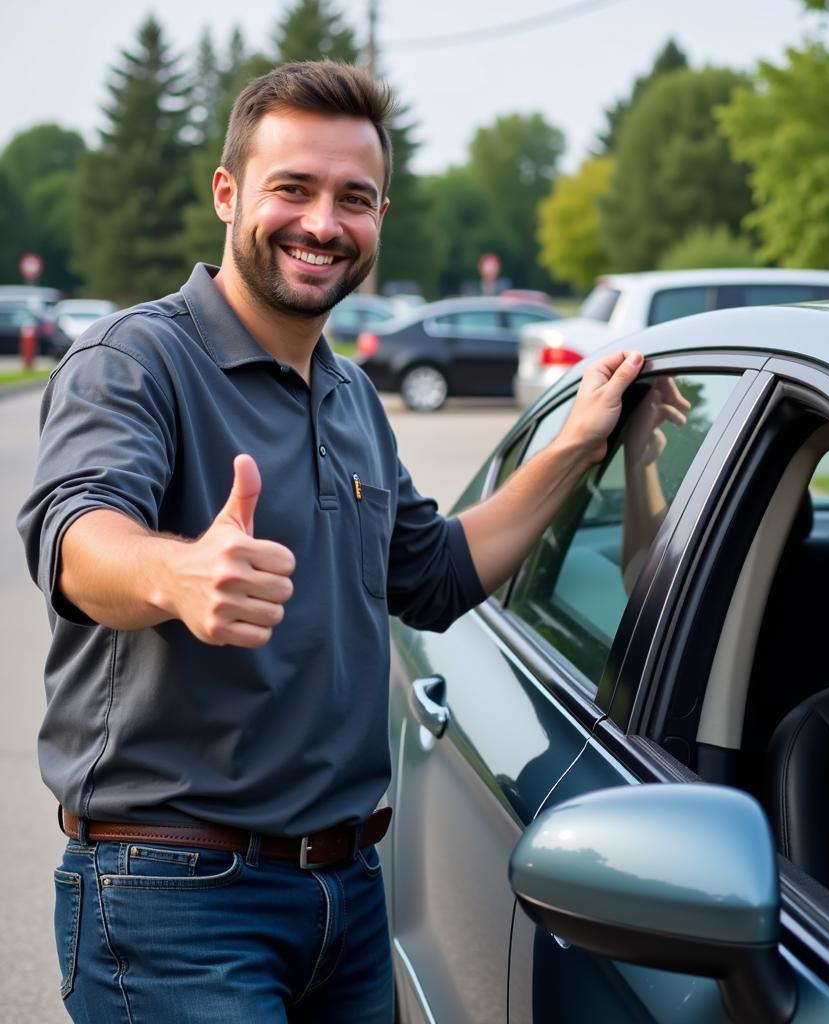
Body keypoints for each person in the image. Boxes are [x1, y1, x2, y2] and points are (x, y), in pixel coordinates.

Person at [17, 60, 643, 1023]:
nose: (323, 222)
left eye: (354, 198)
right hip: (175, 901)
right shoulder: (135, 360)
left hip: (348, 901)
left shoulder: (350, 397)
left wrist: (574, 444)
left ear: (380, 215)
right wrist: (179, 573)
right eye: (293, 189)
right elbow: (77, 536)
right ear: (229, 195)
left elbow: (435, 575)